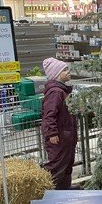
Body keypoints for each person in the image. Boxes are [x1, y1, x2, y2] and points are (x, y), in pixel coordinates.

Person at [41, 57, 77, 190]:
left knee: (67, 164)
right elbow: (49, 114)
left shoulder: (63, 91)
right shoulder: (56, 92)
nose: (68, 71)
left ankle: (64, 190)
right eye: (65, 69)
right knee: (57, 165)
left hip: (66, 136)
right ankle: (51, 191)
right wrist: (52, 133)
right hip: (60, 137)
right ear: (57, 74)